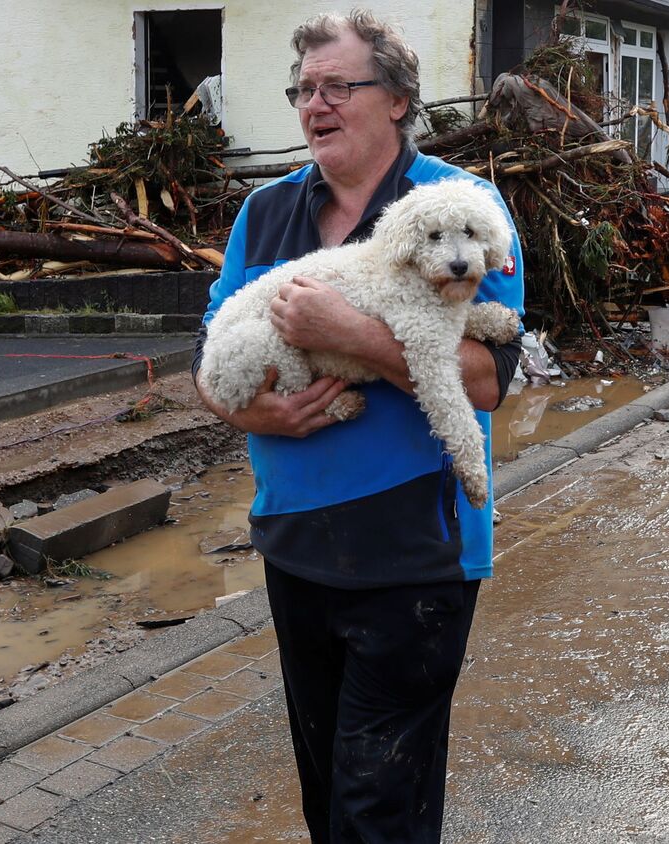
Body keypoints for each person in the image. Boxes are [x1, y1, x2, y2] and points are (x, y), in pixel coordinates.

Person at [190, 9, 524, 842]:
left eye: (339, 86)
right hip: (294, 541)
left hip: (415, 550)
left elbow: (487, 381)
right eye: (305, 90)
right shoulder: (264, 212)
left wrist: (351, 334)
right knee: (327, 798)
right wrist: (246, 408)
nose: (316, 105)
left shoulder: (459, 208)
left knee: (379, 809)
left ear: (399, 99)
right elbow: (208, 358)